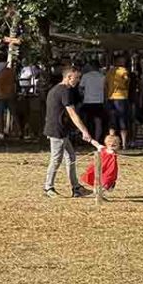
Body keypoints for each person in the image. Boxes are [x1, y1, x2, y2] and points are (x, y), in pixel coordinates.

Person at [43, 65, 92, 198]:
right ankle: (48, 187)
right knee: (56, 159)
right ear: (69, 77)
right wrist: (84, 131)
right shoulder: (65, 91)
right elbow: (72, 113)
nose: (78, 81)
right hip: (57, 130)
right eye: (76, 78)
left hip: (60, 130)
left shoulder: (57, 89)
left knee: (71, 157)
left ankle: (76, 188)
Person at [105, 56, 131, 149]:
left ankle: (111, 144)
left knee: (112, 121)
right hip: (121, 98)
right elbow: (126, 80)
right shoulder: (123, 70)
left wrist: (107, 96)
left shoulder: (109, 71)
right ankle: (124, 144)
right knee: (122, 120)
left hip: (111, 98)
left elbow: (105, 85)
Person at [78, 62, 105, 141]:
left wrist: (83, 94)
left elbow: (80, 88)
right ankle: (97, 139)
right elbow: (105, 89)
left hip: (87, 101)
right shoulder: (102, 76)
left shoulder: (85, 76)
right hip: (99, 101)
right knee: (98, 122)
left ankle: (87, 138)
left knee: (87, 121)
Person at [0, 65, 16, 139]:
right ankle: (19, 132)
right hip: (10, 95)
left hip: (0, 96)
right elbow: (15, 82)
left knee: (0, 115)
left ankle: (1, 132)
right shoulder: (11, 71)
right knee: (14, 114)